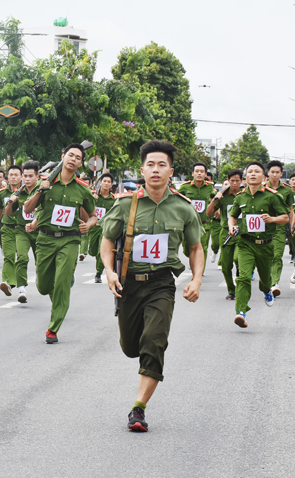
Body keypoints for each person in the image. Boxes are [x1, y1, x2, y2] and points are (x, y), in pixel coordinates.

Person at [99, 140, 203, 433]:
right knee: (131, 347)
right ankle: (139, 356)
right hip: (129, 286)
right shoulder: (124, 205)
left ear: (171, 170)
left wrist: (195, 279)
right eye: (150, 164)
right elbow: (107, 242)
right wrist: (109, 271)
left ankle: (138, 409)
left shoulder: (184, 208)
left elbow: (195, 248)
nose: (155, 170)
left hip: (161, 285)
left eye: (162, 165)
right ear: (142, 169)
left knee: (154, 343)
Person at [23, 144, 97, 344]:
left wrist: (88, 226)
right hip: (45, 239)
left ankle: (53, 328)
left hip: (70, 240)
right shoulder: (46, 183)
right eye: (70, 155)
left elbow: (93, 216)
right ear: (63, 157)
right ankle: (56, 287)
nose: (73, 159)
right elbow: (28, 208)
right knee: (43, 286)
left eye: (78, 157)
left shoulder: (82, 189)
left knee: (62, 283)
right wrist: (40, 190)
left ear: (81, 163)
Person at [228, 162, 290, 327]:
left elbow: (285, 217)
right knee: (243, 277)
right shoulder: (240, 196)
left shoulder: (273, 196)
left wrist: (272, 219)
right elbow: (233, 216)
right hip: (245, 243)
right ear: (245, 177)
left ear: (264, 176)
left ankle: (266, 289)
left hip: (265, 244)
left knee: (264, 279)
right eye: (250, 172)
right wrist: (231, 226)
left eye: (257, 172)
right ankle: (241, 312)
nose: (253, 174)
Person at [5, 160, 40, 302]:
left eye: (30, 176)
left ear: (37, 177)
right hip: (22, 230)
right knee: (22, 257)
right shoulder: (19, 193)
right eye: (25, 176)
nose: (27, 179)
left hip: (40, 232)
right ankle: (21, 288)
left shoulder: (42, 192)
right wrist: (10, 202)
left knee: (42, 262)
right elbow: (7, 213)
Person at [206, 168, 243, 301]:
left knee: (238, 259)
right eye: (232, 181)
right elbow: (209, 213)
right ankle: (231, 290)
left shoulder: (245, 194)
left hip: (242, 233)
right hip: (226, 233)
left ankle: (241, 285)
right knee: (226, 266)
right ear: (227, 181)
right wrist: (215, 200)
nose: (234, 183)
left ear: (242, 181)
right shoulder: (222, 194)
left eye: (237, 181)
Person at [177, 163, 217, 271]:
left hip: (204, 224)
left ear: (205, 174)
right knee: (187, 249)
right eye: (197, 171)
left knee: (203, 247)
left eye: (201, 171)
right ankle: (192, 258)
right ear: (193, 173)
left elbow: (216, 199)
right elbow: (176, 198)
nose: (199, 173)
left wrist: (217, 208)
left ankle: (199, 270)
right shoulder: (185, 187)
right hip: (188, 224)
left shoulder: (210, 187)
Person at [263, 160, 294, 297]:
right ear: (268, 173)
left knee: (277, 255)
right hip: (263, 228)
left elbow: (290, 210)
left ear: (281, 174)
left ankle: (274, 283)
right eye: (272, 172)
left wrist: (291, 226)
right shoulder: (261, 188)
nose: (275, 174)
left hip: (280, 227)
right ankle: (267, 279)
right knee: (266, 257)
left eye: (277, 172)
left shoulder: (287, 190)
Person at [0, 165, 23, 296]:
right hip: (7, 228)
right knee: (9, 256)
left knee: (22, 258)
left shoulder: (26, 192)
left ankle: (22, 285)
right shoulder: (2, 193)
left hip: (23, 230)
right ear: (7, 177)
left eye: (16, 175)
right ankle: (8, 283)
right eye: (11, 175)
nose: (13, 177)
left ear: (21, 177)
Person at [86, 172, 116, 283]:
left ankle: (98, 273)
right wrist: (92, 199)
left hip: (106, 229)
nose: (106, 183)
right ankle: (98, 260)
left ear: (111, 185)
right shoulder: (94, 196)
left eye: (109, 182)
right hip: (94, 227)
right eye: (105, 181)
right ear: (100, 183)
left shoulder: (114, 200)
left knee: (101, 251)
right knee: (93, 251)